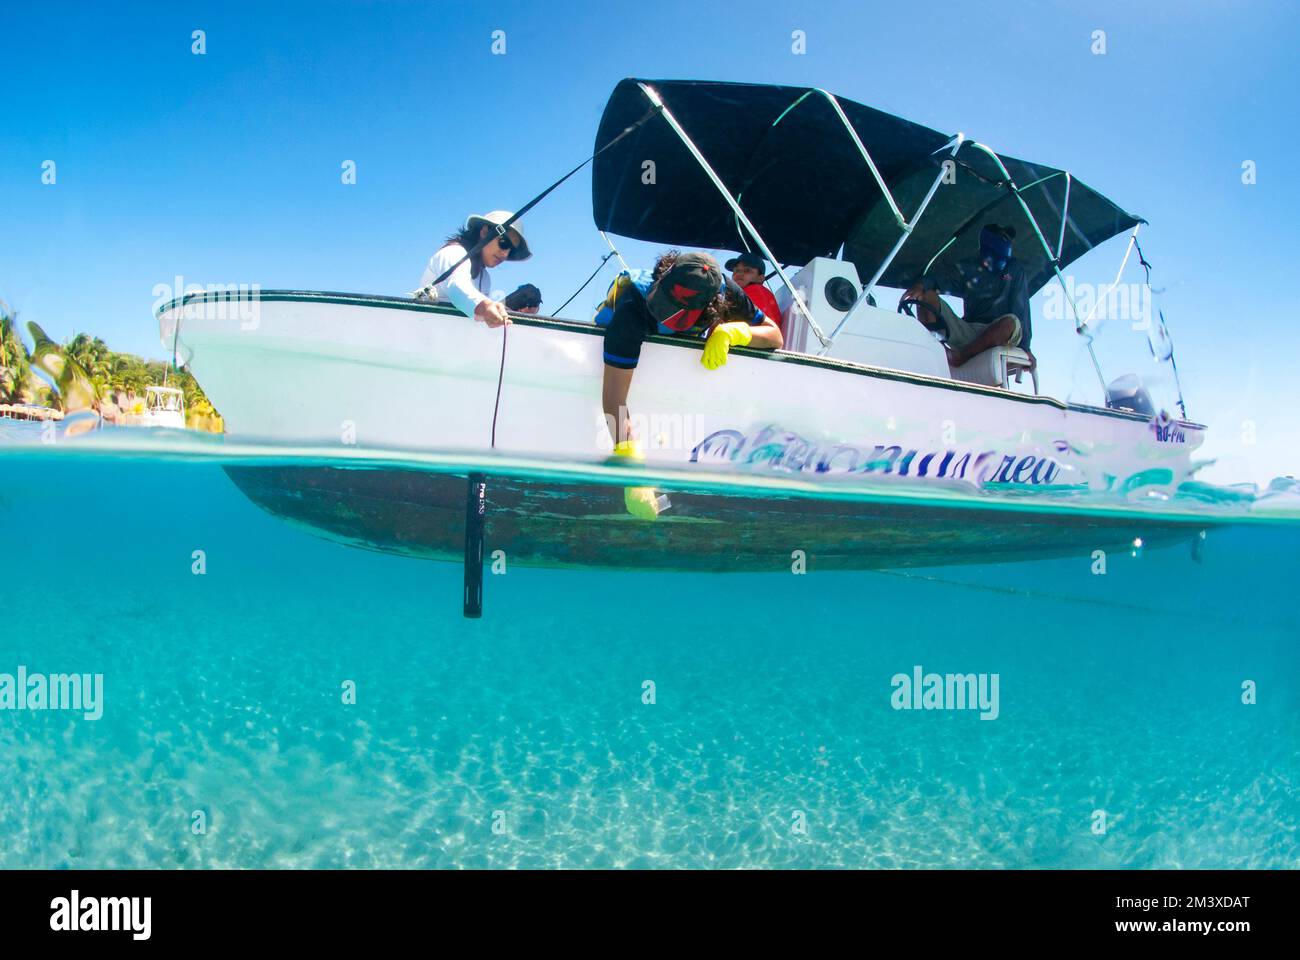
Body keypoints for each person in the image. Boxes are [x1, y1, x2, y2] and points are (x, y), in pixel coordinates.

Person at [598, 250, 783, 520]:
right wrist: (631, 465)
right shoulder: (633, 306)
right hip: (624, 339)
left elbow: (775, 335)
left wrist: (735, 332)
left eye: (677, 312)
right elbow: (614, 398)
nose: (666, 313)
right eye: (665, 303)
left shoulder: (726, 291)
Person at [901, 224, 1034, 371]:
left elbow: (1021, 308)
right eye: (1003, 236)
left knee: (1011, 322)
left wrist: (1025, 348)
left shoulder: (1015, 268)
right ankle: (935, 352)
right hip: (969, 330)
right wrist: (921, 285)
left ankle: (959, 357)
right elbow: (941, 279)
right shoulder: (969, 267)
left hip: (998, 332)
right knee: (927, 296)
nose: (1007, 241)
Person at [414, 210, 531, 328]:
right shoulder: (453, 252)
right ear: (485, 232)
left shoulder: (485, 278)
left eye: (511, 251)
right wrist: (485, 306)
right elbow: (456, 287)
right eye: (504, 243)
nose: (505, 254)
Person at [725, 251, 785, 336]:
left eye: (747, 270)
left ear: (760, 278)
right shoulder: (737, 295)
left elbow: (763, 329)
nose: (738, 274)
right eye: (736, 270)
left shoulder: (755, 290)